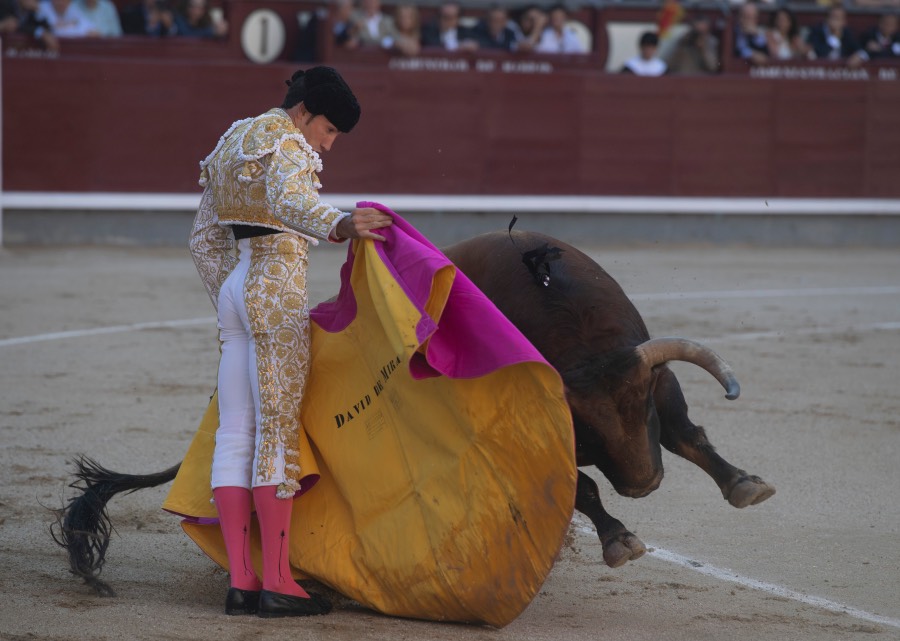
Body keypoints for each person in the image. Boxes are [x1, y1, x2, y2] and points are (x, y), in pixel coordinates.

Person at [189, 66, 392, 618]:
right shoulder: (287, 141)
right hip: (274, 281)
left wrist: (231, 299)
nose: (326, 144)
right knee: (277, 429)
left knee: (236, 432)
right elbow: (287, 199)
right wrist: (341, 223)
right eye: (327, 130)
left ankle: (242, 581)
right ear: (304, 112)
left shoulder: (235, 136)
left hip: (235, 284)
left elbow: (204, 237)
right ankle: (278, 582)